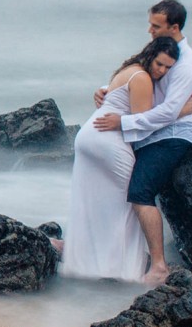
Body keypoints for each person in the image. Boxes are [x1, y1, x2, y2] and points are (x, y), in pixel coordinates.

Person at [91, 0, 192, 284]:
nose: (149, 30)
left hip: (170, 138)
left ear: (173, 27)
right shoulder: (160, 51)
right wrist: (107, 91)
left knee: (140, 193)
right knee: (112, 187)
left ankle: (159, 266)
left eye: (156, 25)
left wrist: (122, 122)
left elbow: (168, 113)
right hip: (146, 136)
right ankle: (96, 249)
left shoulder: (186, 65)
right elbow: (139, 77)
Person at [61, 36, 184, 282]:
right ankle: (121, 271)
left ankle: (84, 259)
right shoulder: (142, 78)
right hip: (108, 140)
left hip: (89, 136)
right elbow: (142, 127)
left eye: (168, 68)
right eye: (160, 64)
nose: (161, 71)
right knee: (132, 200)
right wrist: (180, 111)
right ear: (151, 55)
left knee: (98, 200)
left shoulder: (128, 70)